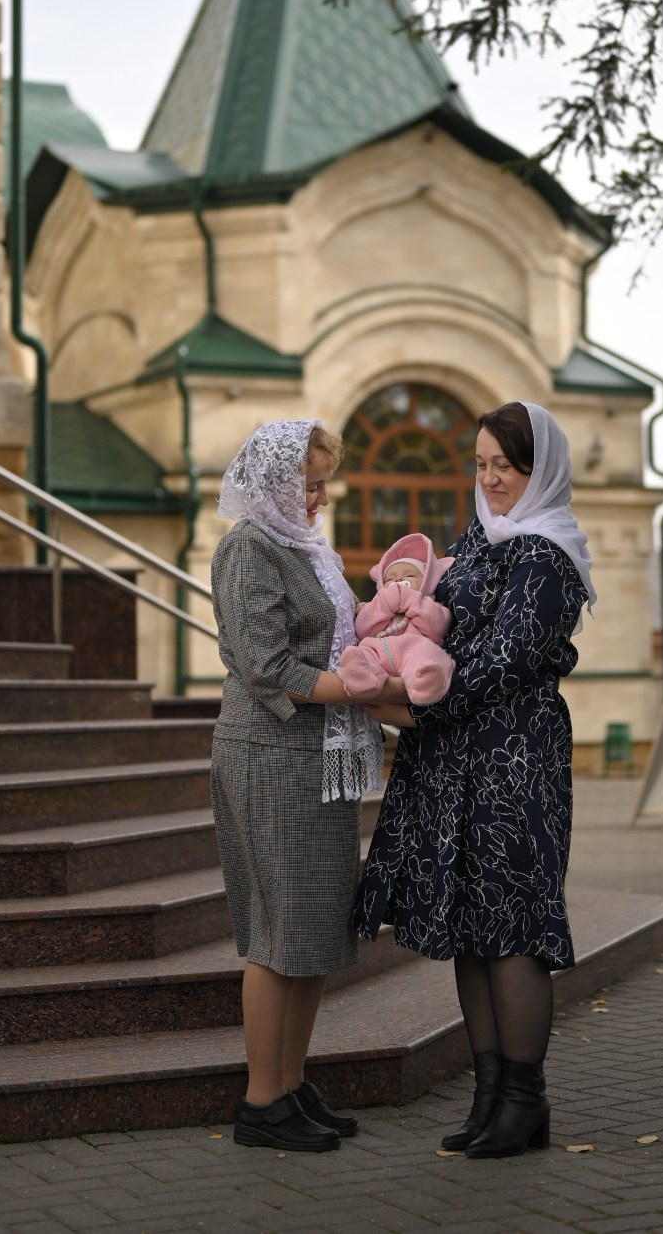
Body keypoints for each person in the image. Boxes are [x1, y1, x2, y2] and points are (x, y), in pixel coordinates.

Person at [352, 401, 595, 1160]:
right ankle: (491, 1096)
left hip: (513, 760)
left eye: (507, 466)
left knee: (513, 925)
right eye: (483, 464)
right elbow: (433, 624)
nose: (491, 479)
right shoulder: (477, 542)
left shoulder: (547, 557)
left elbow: (504, 662)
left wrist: (407, 707)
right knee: (469, 922)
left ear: (539, 470)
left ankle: (527, 1099)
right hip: (452, 757)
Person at [210, 419, 385, 1153]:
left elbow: (337, 639)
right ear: (273, 481)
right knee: (277, 934)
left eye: (323, 485)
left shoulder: (307, 548)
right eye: (306, 484)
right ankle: (260, 1100)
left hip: (316, 757)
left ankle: (290, 1083)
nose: (317, 499)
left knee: (313, 930)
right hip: (269, 753)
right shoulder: (248, 547)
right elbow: (265, 664)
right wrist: (362, 687)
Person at [338, 533, 455, 706]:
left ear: (427, 581)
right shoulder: (377, 605)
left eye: (410, 575)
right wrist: (385, 602)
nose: (398, 579)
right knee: (364, 652)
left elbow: (436, 629)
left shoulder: (432, 606)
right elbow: (363, 629)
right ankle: (363, 678)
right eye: (390, 578)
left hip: (414, 651)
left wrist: (411, 599)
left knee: (432, 657)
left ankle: (426, 683)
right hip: (379, 649)